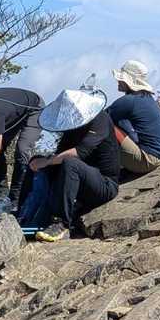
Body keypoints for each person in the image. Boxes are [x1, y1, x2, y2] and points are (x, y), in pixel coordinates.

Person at [29, 83, 123, 242]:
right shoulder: (73, 126)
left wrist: (46, 162)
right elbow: (59, 154)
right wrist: (39, 163)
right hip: (81, 181)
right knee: (37, 162)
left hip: (104, 184)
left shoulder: (100, 120)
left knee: (69, 163)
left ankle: (61, 224)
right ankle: (26, 213)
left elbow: (78, 153)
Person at [0, 86, 44, 214]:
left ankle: (16, 199)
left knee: (22, 150)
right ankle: (1, 197)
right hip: (11, 110)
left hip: (34, 108)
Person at [106, 60, 160, 177]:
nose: (118, 81)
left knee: (102, 122)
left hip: (147, 160)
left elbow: (101, 117)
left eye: (121, 79)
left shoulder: (130, 101)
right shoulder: (146, 99)